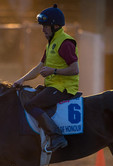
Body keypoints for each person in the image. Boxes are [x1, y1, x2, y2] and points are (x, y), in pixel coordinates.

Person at [13, 4, 80, 152]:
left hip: (64, 88)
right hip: (53, 86)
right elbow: (38, 68)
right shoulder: (51, 43)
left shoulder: (65, 43)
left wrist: (53, 71)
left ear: (55, 26)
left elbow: (75, 70)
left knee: (31, 105)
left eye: (45, 26)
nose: (43, 30)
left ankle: (57, 137)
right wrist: (22, 80)